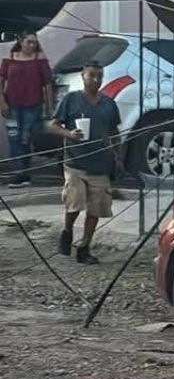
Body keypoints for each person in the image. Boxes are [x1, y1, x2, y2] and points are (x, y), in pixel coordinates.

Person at [49, 62, 122, 265]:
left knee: (96, 208)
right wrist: (69, 134)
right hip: (75, 162)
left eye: (100, 76)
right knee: (74, 202)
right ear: (83, 76)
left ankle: (85, 247)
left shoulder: (108, 104)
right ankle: (67, 230)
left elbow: (114, 133)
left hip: (101, 164)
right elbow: (54, 125)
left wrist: (118, 157)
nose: (96, 80)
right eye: (92, 75)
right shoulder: (71, 100)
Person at [0, 32, 54, 187]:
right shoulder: (9, 59)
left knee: (25, 139)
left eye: (34, 43)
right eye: (29, 42)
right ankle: (19, 173)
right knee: (13, 138)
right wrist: (2, 102)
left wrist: (50, 108)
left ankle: (24, 172)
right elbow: (1, 80)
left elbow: (48, 85)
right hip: (12, 105)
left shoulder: (40, 62)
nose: (32, 45)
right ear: (21, 42)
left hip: (33, 105)